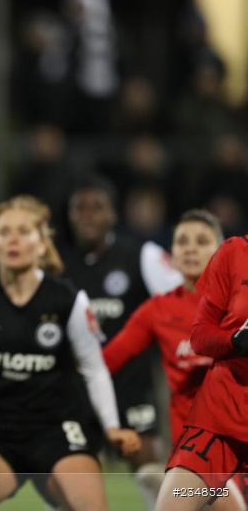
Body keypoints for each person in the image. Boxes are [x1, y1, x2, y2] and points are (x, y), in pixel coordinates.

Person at [0, 195, 140, 511]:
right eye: (4, 231)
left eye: (23, 232)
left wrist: (111, 427)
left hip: (60, 431)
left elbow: (94, 369)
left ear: (42, 244)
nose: (12, 239)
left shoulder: (67, 300)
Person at [103, 210, 246, 511]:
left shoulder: (238, 305)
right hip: (200, 451)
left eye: (202, 241)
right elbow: (107, 362)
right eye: (182, 241)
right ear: (172, 254)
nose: (191, 248)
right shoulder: (158, 310)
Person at [59, 174, 182, 509]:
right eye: (79, 208)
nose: (87, 215)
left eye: (96, 207)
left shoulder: (142, 255)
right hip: (75, 388)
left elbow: (182, 303)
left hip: (130, 385)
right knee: (66, 485)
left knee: (151, 474)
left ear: (113, 214)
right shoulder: (57, 264)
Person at [156, 234, 248, 511]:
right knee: (175, 503)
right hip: (219, 420)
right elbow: (200, 335)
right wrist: (235, 340)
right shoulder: (235, 252)